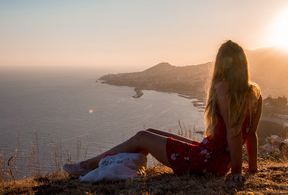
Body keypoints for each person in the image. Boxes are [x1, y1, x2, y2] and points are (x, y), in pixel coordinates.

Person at [63, 40, 262, 182]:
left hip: (208, 161)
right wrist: (251, 168)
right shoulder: (255, 94)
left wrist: (237, 172)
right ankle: (111, 166)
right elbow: (251, 134)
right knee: (148, 132)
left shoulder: (223, 88)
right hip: (212, 156)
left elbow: (234, 133)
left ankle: (88, 166)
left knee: (141, 137)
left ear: (221, 64)